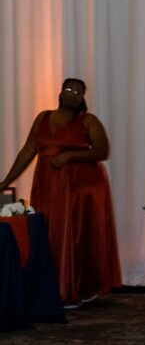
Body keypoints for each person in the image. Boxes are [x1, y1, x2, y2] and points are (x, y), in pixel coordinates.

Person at [0, 78, 121, 306]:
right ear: (60, 93)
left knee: (74, 236)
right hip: (47, 184)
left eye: (78, 91)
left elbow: (102, 151)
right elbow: (28, 150)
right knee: (47, 232)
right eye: (68, 89)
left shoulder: (88, 121)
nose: (73, 94)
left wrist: (69, 155)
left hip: (79, 187)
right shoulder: (43, 117)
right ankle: (50, 287)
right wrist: (6, 180)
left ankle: (77, 288)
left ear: (83, 97)